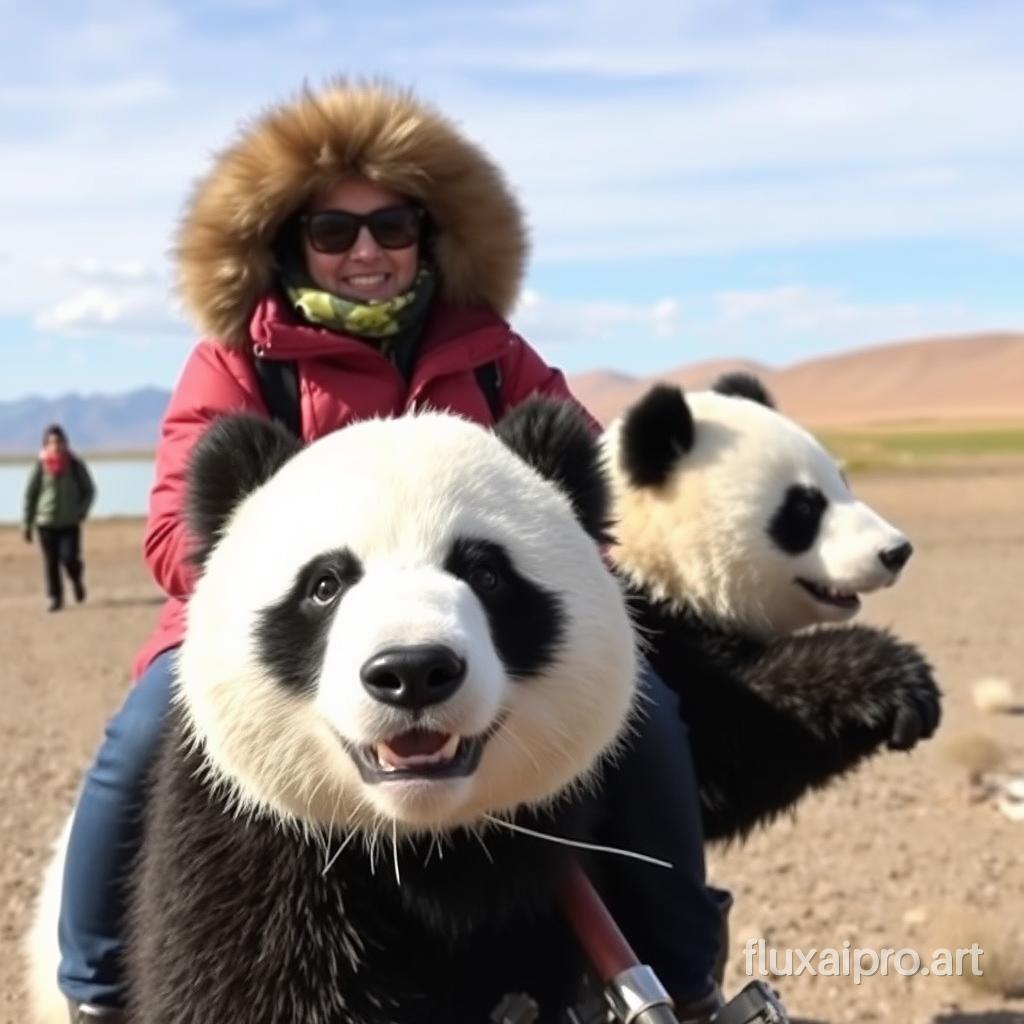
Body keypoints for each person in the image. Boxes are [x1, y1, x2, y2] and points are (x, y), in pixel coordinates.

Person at [56, 81, 725, 1023]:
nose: (366, 250)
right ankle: (92, 986)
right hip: (277, 627)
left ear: (431, 237)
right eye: (333, 230)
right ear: (290, 244)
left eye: (393, 225)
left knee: (651, 721)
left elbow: (576, 488)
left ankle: (686, 977)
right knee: (136, 742)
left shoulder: (494, 355)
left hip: (480, 624)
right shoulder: (239, 362)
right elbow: (178, 529)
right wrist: (267, 565)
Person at [23, 424, 94, 613]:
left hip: (70, 522)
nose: (56, 446)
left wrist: (81, 511)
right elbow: (31, 495)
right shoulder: (40, 466)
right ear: (45, 445)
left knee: (70, 558)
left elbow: (89, 490)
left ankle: (77, 581)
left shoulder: (75, 465)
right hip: (45, 522)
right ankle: (55, 598)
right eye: (51, 442)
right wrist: (27, 524)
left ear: (65, 443)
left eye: (59, 441)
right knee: (50, 562)